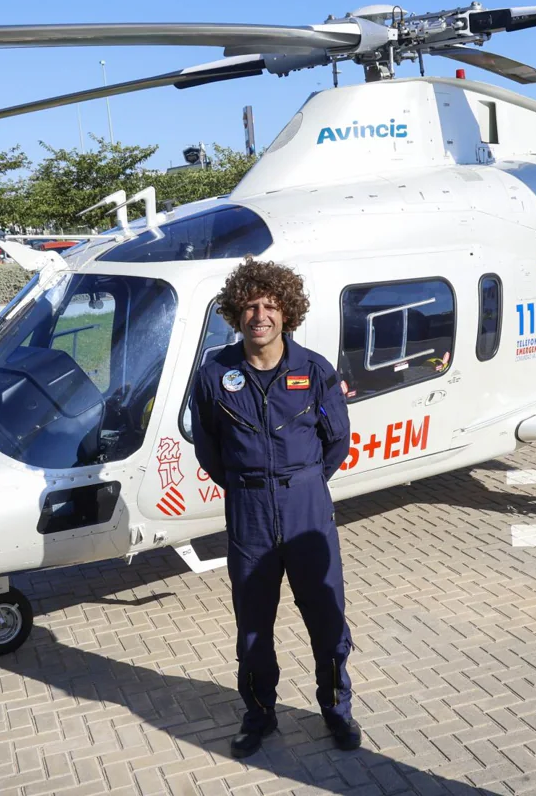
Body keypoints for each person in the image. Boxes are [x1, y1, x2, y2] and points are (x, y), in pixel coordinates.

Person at [190, 258, 360, 757]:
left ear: (287, 313)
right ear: (235, 313)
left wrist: (299, 482)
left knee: (327, 621)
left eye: (270, 305)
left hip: (306, 507)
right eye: (249, 305)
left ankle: (336, 710)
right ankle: (260, 714)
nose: (259, 315)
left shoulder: (314, 371)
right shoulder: (215, 373)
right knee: (253, 626)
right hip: (249, 514)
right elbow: (208, 446)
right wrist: (250, 486)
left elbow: (337, 442)